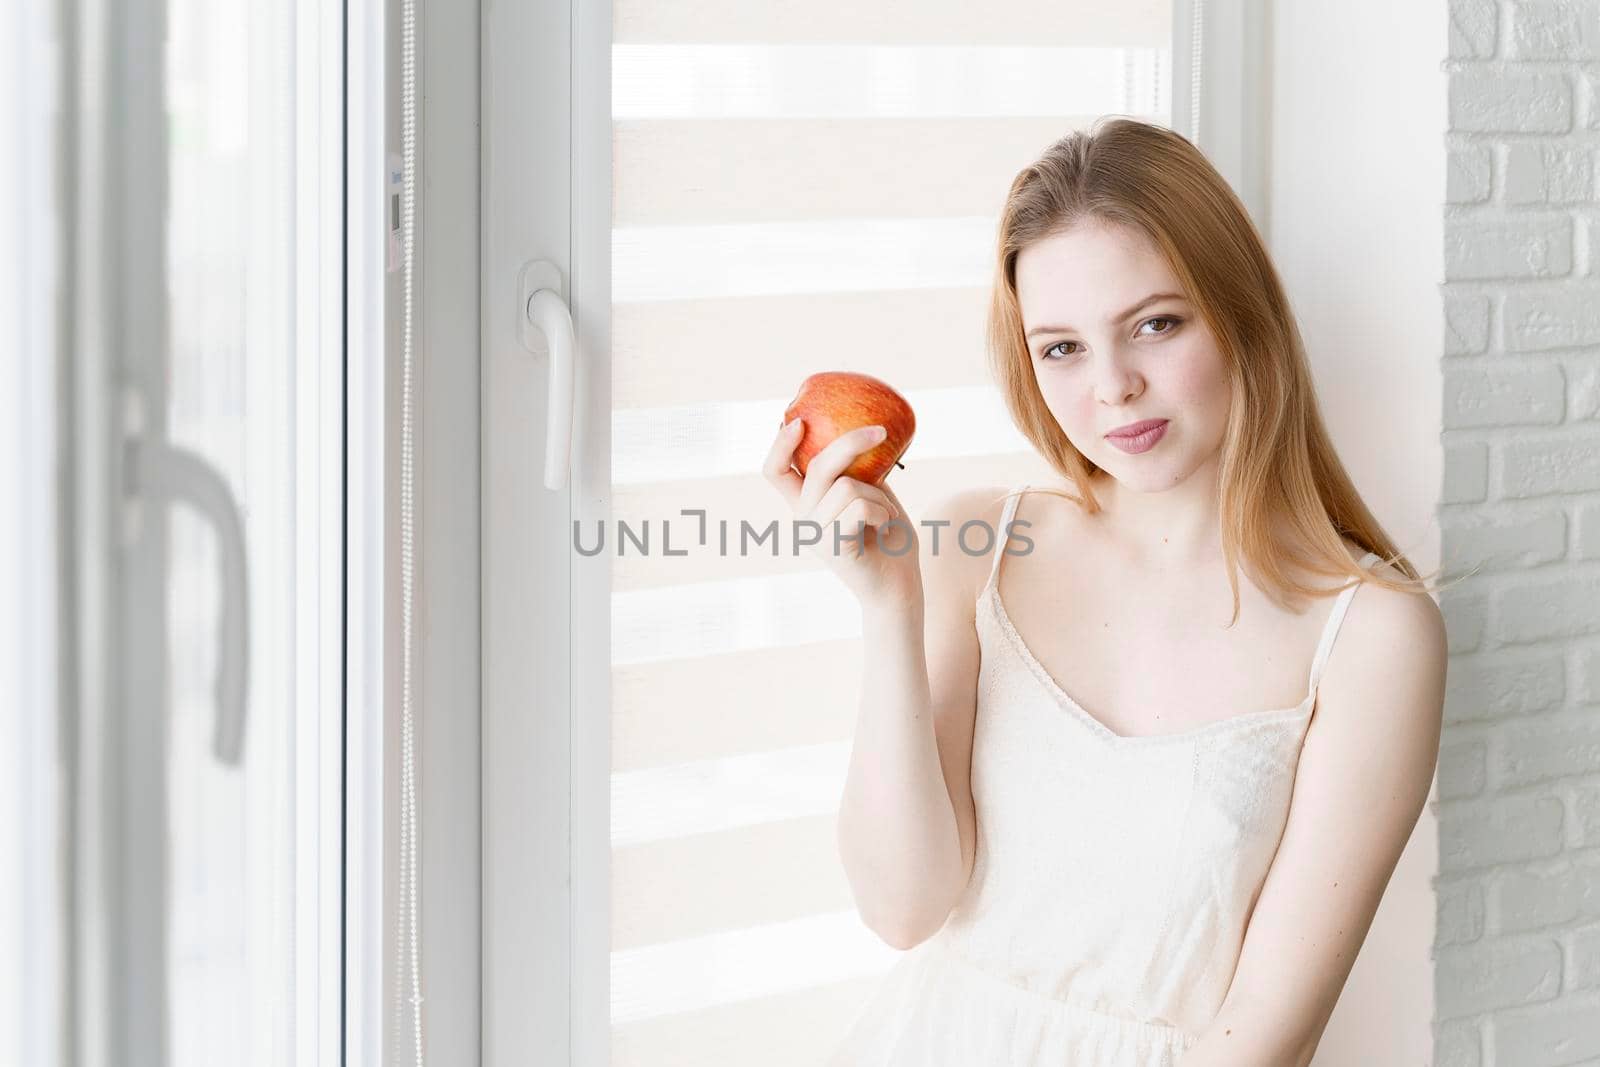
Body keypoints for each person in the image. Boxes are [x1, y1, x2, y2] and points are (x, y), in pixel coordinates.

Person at [762, 116, 1453, 1066]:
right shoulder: (978, 545)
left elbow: (1262, 1037)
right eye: (1062, 348)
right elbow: (903, 906)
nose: (1114, 387)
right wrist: (890, 610)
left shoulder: (1373, 635)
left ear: (1240, 313)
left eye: (1156, 325)